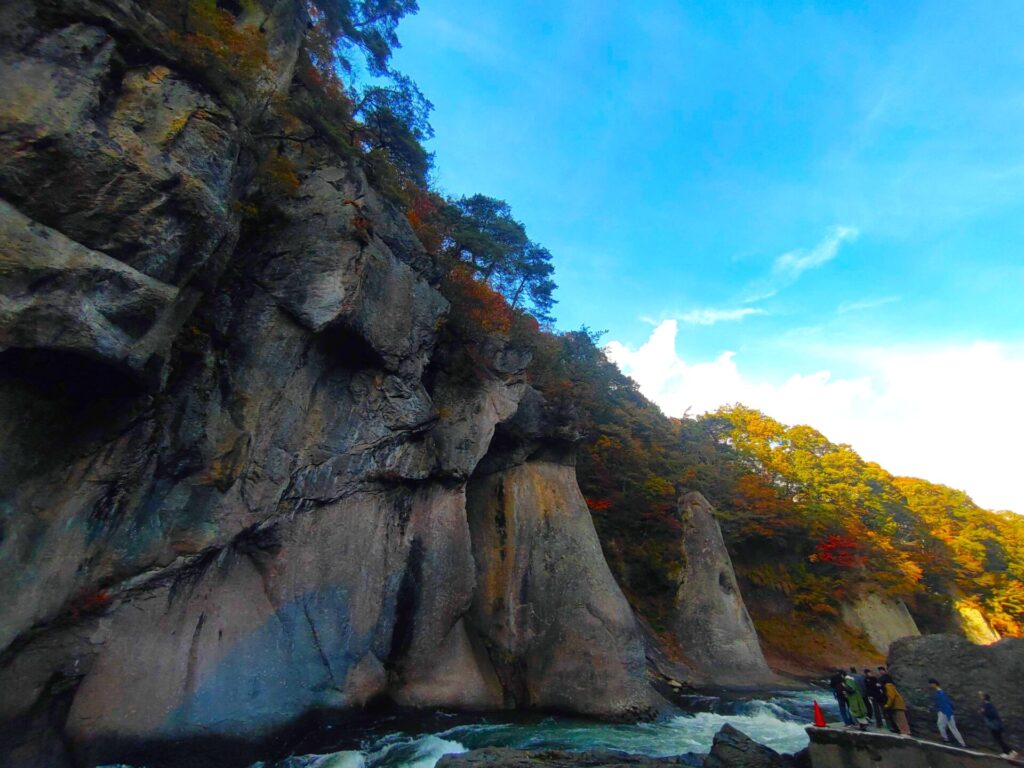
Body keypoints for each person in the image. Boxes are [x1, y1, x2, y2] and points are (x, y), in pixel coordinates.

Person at [929, 679, 966, 747]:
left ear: (934, 684)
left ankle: (953, 741)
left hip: (945, 712)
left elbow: (945, 704)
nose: (930, 685)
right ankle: (951, 740)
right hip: (944, 711)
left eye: (930, 684)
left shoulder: (940, 693)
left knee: (947, 726)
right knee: (946, 726)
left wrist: (947, 714)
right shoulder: (940, 693)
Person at [980, 692, 1018, 758]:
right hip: (998, 725)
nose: (981, 698)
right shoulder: (990, 705)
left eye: (982, 697)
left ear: (984, 698)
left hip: (994, 726)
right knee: (999, 739)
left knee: (999, 740)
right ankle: (1006, 753)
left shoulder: (986, 706)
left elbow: (989, 715)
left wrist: (983, 712)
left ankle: (1012, 752)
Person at [877, 666, 899, 732]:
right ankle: (893, 727)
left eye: (881, 670)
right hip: (885, 696)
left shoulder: (886, 678)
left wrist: (880, 686)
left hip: (886, 697)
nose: (880, 672)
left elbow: (885, 687)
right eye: (880, 671)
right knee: (889, 713)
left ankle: (894, 727)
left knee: (889, 713)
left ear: (884, 670)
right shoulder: (886, 677)